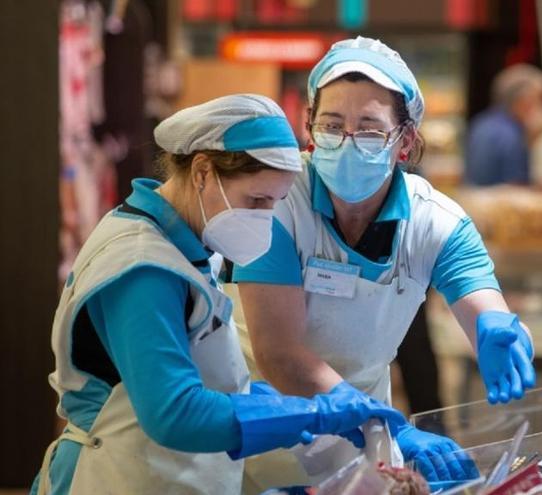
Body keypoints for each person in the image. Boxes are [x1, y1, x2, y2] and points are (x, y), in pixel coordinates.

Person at [32, 94, 407, 495]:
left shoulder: (188, 248)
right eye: (257, 200)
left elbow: (216, 384)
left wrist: (340, 412)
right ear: (202, 172)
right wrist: (311, 414)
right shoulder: (143, 267)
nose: (266, 218)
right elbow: (175, 413)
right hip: (112, 478)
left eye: (276, 203)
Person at [230, 37, 537, 489]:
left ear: (405, 141)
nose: (348, 143)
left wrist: (503, 330)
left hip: (363, 439)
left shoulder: (436, 221)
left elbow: (485, 305)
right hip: (260, 425)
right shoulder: (276, 202)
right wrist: (390, 426)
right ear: (310, 128)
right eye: (332, 125)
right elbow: (280, 354)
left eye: (371, 130)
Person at [463, 63, 542, 186]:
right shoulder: (512, 134)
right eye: (538, 99)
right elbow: (517, 184)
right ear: (523, 100)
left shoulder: (480, 122)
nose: (540, 107)